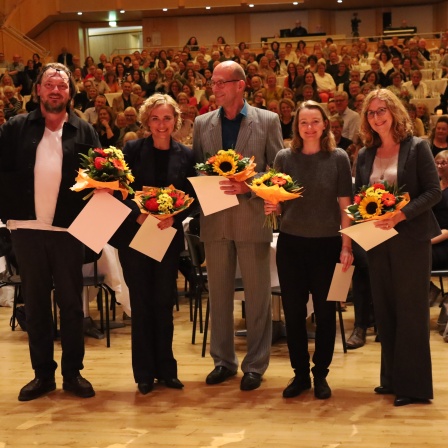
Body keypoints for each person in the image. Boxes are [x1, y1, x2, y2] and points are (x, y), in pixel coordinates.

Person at [0, 62, 101, 401]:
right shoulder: (15, 128)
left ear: (70, 93)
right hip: (26, 229)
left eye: (62, 85)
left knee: (72, 306)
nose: (55, 90)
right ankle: (42, 375)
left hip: (69, 231)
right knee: (38, 306)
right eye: (49, 85)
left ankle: (73, 374)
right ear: (38, 91)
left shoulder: (84, 132)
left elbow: (102, 178)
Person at [192, 61, 283, 391]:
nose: (214, 88)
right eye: (212, 83)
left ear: (241, 85)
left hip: (251, 217)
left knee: (258, 297)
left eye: (221, 83)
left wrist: (251, 185)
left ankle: (255, 365)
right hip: (215, 221)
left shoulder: (267, 120)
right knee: (217, 296)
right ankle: (223, 361)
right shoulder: (202, 123)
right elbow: (197, 167)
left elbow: (278, 169)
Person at [356, 88, 441, 406]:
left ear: (394, 112)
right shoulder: (365, 154)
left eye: (382, 110)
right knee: (386, 309)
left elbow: (433, 192)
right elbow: (361, 197)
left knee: (410, 312)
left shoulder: (417, 147)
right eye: (371, 113)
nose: (377, 117)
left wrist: (400, 215)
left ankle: (414, 387)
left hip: (411, 240)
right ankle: (391, 379)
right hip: (378, 241)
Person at [264, 100, 353, 399]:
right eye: (304, 122)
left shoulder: (338, 157)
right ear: (297, 127)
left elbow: (345, 207)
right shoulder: (284, 158)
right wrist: (271, 205)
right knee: (293, 312)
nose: (310, 127)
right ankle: (300, 374)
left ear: (325, 124)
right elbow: (276, 201)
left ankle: (321, 374)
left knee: (326, 314)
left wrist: (346, 245)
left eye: (315, 121)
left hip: (328, 245)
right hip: (291, 244)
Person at [115, 94, 196, 394]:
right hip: (136, 237)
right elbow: (118, 189)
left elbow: (193, 197)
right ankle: (144, 374)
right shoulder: (133, 150)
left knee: (164, 303)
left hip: (167, 236)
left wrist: (175, 218)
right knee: (142, 303)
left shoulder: (187, 155)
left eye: (167, 118)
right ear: (146, 121)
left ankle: (167, 370)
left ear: (176, 120)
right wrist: (138, 216)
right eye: (155, 118)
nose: (162, 124)